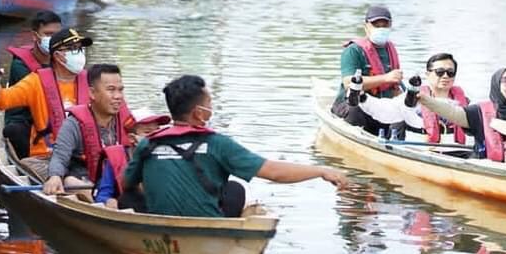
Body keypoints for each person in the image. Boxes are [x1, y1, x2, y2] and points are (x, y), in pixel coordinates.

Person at [126, 75, 348, 218]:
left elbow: (126, 183)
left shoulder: (147, 143)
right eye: (209, 103)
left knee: (129, 197)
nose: (211, 107)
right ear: (199, 113)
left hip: (160, 224)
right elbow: (274, 172)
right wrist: (321, 170)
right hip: (206, 227)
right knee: (236, 190)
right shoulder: (217, 144)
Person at [0, 28, 93, 178]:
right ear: (58, 56)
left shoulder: (92, 81)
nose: (79, 53)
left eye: (80, 48)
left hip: (85, 157)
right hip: (46, 157)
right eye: (73, 49)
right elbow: (2, 101)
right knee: (68, 180)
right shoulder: (36, 82)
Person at [417, 67, 506, 163]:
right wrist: (424, 99)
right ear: (496, 85)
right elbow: (452, 112)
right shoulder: (478, 112)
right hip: (484, 165)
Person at [42, 64, 134, 199]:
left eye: (120, 90)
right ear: (92, 93)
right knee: (70, 182)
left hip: (117, 179)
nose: (118, 96)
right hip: (86, 180)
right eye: (111, 90)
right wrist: (55, 176)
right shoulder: (73, 124)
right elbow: (60, 157)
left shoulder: (128, 121)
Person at [331, 5, 404, 137]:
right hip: (352, 105)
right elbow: (348, 83)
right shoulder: (353, 50)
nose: (381, 29)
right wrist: (385, 78)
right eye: (376, 25)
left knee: (401, 114)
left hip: (379, 107)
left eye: (384, 25)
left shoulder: (390, 49)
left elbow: (395, 89)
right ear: (366, 27)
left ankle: (396, 144)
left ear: (390, 26)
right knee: (356, 109)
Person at [3, 10, 63, 158]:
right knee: (15, 131)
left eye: (57, 35)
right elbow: (38, 96)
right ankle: (28, 162)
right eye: (48, 34)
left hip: (55, 114)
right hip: (26, 118)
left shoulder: (62, 60)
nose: (54, 39)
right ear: (35, 36)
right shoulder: (20, 65)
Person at [95, 107, 171, 210]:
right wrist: (108, 200)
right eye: (147, 132)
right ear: (132, 138)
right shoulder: (117, 157)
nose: (155, 136)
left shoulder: (168, 154)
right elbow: (103, 194)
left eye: (157, 131)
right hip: (129, 209)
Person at [419, 53, 469, 144]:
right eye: (439, 72)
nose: (445, 76)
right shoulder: (414, 101)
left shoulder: (465, 103)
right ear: (428, 74)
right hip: (421, 147)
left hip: (457, 148)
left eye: (450, 72)